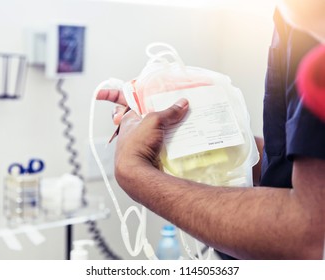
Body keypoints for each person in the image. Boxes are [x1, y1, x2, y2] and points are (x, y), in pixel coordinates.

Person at [97, 2, 325, 259]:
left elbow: (306, 236)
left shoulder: (310, 25)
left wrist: (134, 172)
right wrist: (185, 136)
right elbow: (288, 165)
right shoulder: (296, 20)